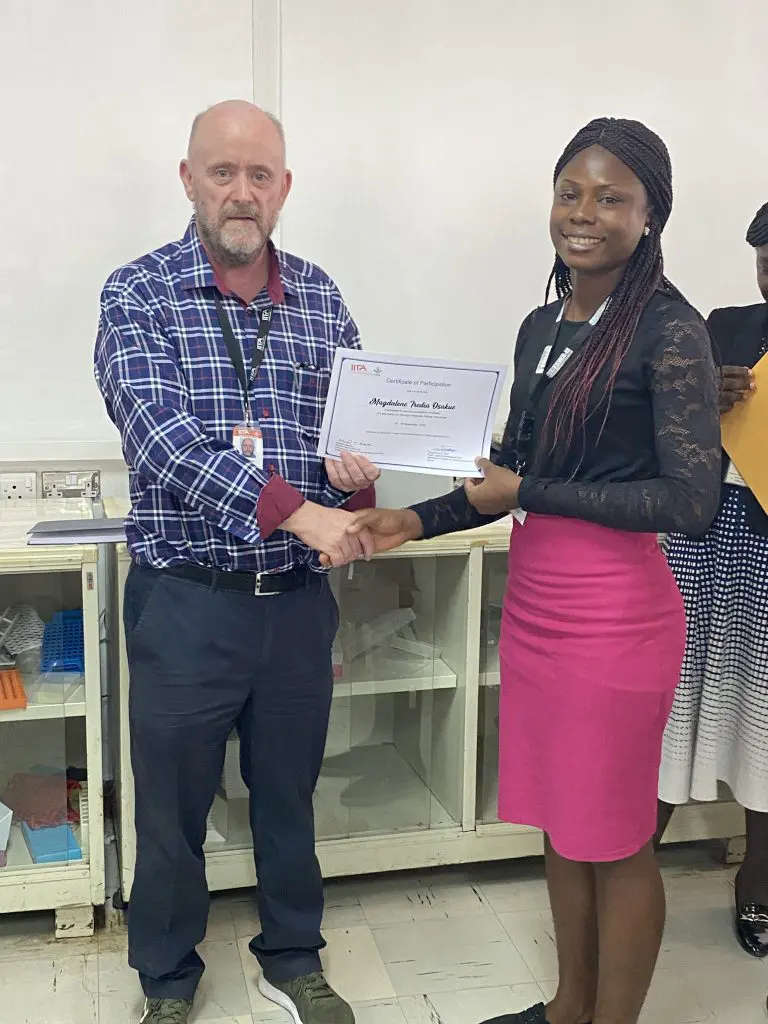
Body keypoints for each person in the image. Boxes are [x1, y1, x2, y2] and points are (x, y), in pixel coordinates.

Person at [326, 119, 721, 1024]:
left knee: (615, 838)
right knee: (564, 821)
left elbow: (689, 500)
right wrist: (411, 521)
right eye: (569, 192)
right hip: (539, 603)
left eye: (611, 198)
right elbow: (508, 470)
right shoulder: (542, 326)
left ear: (651, 215)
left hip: (616, 615)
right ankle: (569, 1007)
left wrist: (530, 488)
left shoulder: (670, 330)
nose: (583, 213)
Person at [94, 100, 379, 1024]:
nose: (242, 192)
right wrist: (300, 512)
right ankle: (167, 980)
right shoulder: (138, 295)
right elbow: (164, 443)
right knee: (171, 810)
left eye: (261, 175)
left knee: (289, 795)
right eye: (223, 172)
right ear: (190, 180)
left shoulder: (322, 299)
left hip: (294, 606)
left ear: (284, 188)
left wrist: (355, 477)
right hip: (187, 601)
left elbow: (349, 445)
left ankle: (293, 956)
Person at [657, 202, 768, 957]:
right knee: (667, 702)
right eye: (765, 259)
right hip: (701, 538)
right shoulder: (723, 326)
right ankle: (624, 864)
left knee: (764, 717)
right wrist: (705, 400)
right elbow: (665, 424)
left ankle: (755, 885)